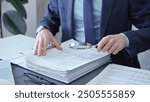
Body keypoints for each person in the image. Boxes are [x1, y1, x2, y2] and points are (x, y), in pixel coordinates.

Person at [34, 0, 150, 68]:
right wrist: (43, 29)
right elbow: (50, 18)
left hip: (115, 63)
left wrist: (124, 39)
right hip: (69, 65)